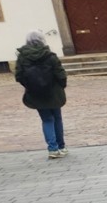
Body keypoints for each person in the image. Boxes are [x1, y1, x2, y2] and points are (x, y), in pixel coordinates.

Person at [13, 30, 68, 159]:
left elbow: (19, 75)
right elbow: (60, 73)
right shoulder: (50, 55)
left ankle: (52, 149)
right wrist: (61, 86)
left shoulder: (22, 57)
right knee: (57, 118)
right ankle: (61, 146)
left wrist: (29, 86)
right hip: (54, 91)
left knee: (47, 120)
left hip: (35, 93)